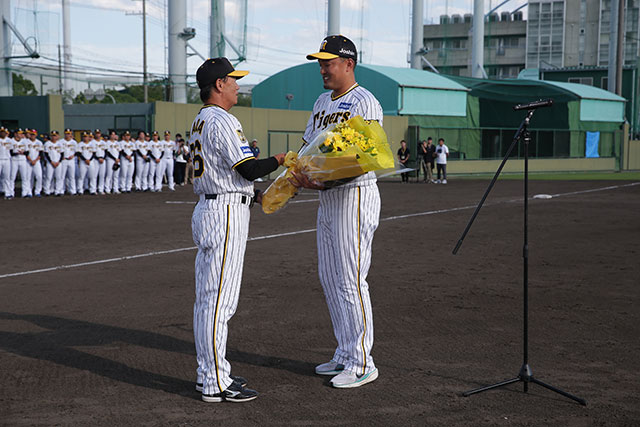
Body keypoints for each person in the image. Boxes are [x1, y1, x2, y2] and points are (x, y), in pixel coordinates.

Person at [189, 57, 285, 403]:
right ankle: (214, 380)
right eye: (232, 80)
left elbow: (229, 173)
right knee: (219, 303)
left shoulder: (201, 119)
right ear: (218, 85)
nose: (237, 85)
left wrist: (254, 195)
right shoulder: (222, 119)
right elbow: (248, 168)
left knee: (208, 300)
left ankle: (209, 373)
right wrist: (281, 159)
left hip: (213, 206)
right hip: (224, 213)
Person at [289, 35, 381, 388]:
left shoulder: (364, 102)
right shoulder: (320, 101)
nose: (323, 69)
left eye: (329, 62)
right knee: (330, 278)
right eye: (321, 63)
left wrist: (324, 180)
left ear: (349, 64)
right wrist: (294, 175)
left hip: (354, 196)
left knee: (350, 279)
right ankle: (345, 352)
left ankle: (361, 362)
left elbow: (367, 156)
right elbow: (308, 145)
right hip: (327, 197)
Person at [43, 130, 64, 196]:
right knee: (49, 177)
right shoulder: (47, 143)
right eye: (52, 135)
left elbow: (62, 154)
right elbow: (46, 154)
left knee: (58, 177)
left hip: (58, 163)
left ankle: (57, 191)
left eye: (55, 135)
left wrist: (59, 162)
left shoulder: (60, 144)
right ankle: (47, 191)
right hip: (50, 163)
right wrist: (51, 162)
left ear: (58, 136)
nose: (54, 137)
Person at [9, 129, 28, 199]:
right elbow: (10, 153)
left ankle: (24, 193)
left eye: (21, 133)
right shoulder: (11, 141)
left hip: (23, 160)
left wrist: (23, 153)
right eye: (19, 133)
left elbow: (27, 152)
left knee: (24, 177)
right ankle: (11, 193)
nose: (21, 135)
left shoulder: (24, 141)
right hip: (14, 160)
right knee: (12, 177)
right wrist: (17, 153)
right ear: (15, 134)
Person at [61, 129, 78, 195]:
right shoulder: (61, 141)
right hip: (64, 160)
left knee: (72, 176)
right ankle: (62, 190)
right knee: (62, 176)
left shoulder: (74, 142)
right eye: (66, 133)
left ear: (71, 134)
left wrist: (73, 155)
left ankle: (73, 191)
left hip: (71, 160)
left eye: (69, 133)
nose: (68, 135)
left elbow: (77, 151)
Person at [93, 129, 108, 194]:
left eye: (98, 133)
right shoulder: (92, 142)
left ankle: (101, 189)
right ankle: (93, 189)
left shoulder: (103, 142)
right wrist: (98, 158)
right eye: (96, 133)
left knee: (102, 175)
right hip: (95, 160)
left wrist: (103, 158)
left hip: (103, 160)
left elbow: (106, 152)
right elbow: (92, 153)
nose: (98, 134)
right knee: (94, 175)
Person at [0, 126, 11, 198]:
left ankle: (7, 193)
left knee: (7, 177)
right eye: (1, 132)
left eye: (4, 132)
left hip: (7, 160)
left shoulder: (9, 140)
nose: (3, 133)